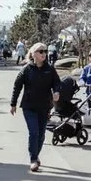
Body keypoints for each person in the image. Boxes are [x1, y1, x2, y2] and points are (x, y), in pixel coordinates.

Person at [10, 42, 61, 172]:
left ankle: (36, 155)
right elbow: (17, 86)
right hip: (29, 106)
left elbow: (56, 82)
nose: (44, 53)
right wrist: (13, 103)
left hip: (44, 106)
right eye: (40, 51)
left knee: (41, 134)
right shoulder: (27, 69)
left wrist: (56, 92)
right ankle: (33, 159)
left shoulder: (49, 69)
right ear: (33, 54)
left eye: (45, 51)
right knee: (34, 132)